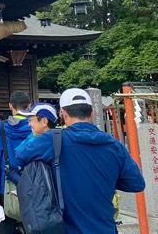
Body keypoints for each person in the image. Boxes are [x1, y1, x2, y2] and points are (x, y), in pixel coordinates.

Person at [15, 88, 145, 234]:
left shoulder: (53, 140)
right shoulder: (114, 146)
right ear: (92, 113)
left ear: (63, 113)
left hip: (67, 228)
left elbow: (20, 156)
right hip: (105, 228)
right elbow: (136, 183)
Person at [0, 90, 32, 234]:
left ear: (10, 105)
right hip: (32, 185)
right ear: (29, 105)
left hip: (5, 187)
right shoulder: (36, 126)